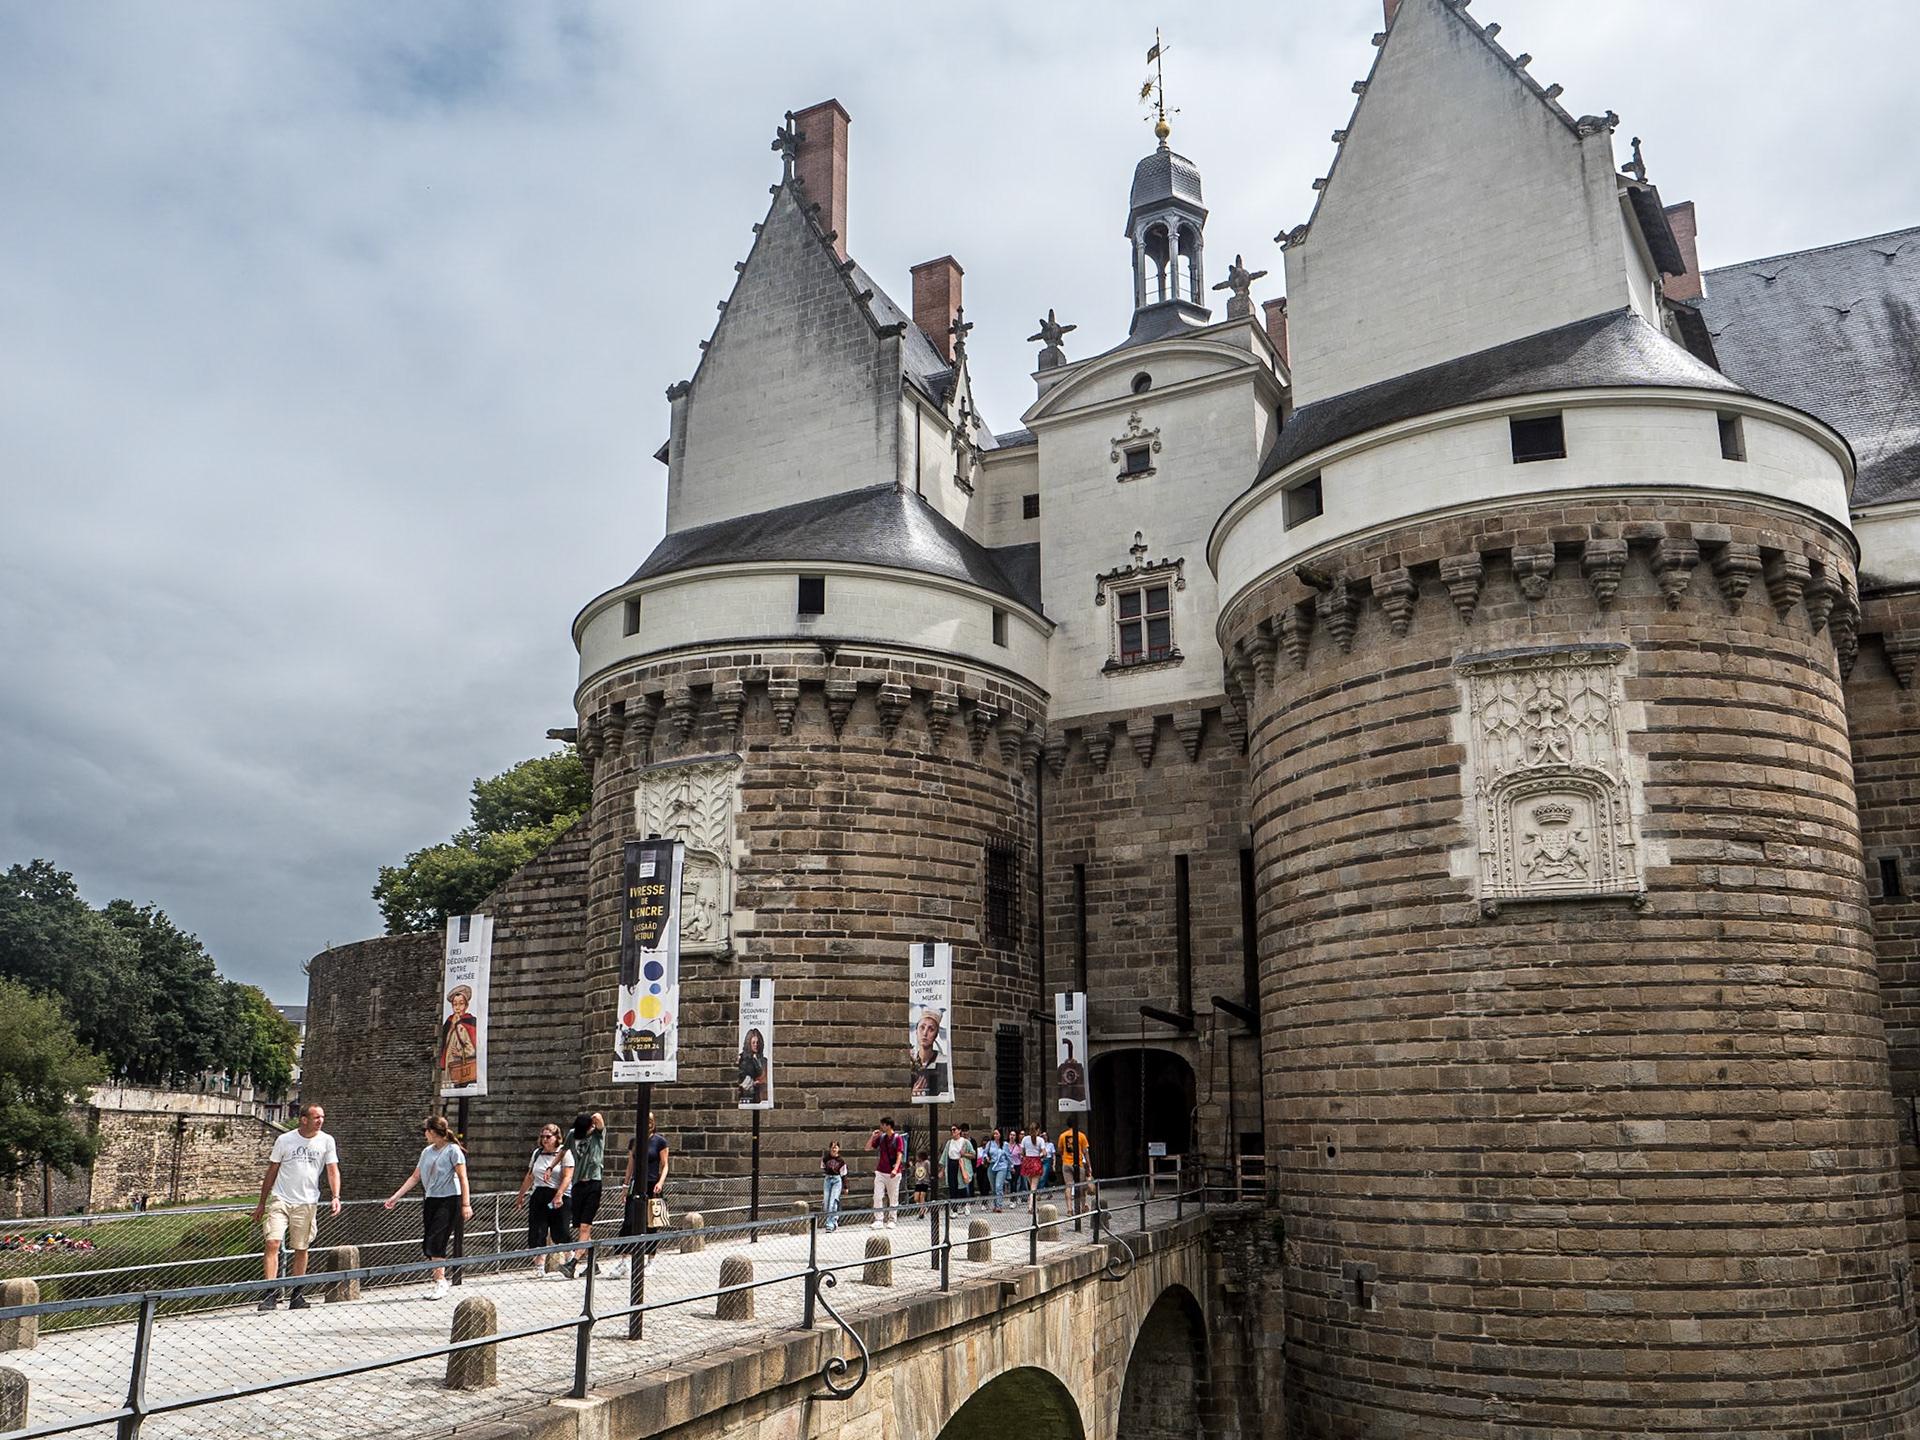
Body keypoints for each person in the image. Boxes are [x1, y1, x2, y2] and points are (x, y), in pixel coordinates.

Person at [251, 1103, 342, 1311]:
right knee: (272, 1242)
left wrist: (336, 1195)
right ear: (304, 1119)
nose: (321, 1120)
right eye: (316, 1117)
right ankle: (270, 1293)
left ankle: (297, 1294)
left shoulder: (327, 1141)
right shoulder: (285, 1140)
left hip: (307, 1201)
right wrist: (261, 1203)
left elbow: (332, 1170)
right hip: (281, 1198)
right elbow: (272, 1171)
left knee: (301, 1247)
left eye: (322, 1117)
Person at [383, 1115, 471, 1298]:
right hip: (432, 1199)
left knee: (436, 1239)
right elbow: (415, 1177)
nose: (425, 1136)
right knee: (429, 1241)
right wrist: (396, 1196)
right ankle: (439, 1280)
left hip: (450, 1199)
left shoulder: (453, 1150)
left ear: (431, 1131)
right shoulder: (427, 1152)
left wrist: (466, 1204)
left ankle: (441, 1282)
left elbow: (463, 1178)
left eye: (425, 1132)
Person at [515, 1123, 575, 1278]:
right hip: (539, 1193)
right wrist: (521, 1195)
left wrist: (559, 1194)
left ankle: (570, 1261)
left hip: (559, 1194)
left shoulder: (564, 1153)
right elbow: (530, 1176)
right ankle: (539, 1267)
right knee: (537, 1230)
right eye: (543, 1137)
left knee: (560, 1230)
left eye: (548, 1137)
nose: (545, 1140)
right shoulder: (537, 1153)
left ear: (557, 1137)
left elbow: (568, 1176)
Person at [567, 1112, 607, 1275]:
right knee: (582, 1229)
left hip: (594, 1185)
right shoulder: (573, 1135)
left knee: (585, 1226)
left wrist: (592, 1120)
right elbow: (563, 1151)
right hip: (578, 1185)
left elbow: (598, 1117)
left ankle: (573, 1263)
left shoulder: (598, 1136)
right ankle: (593, 1265)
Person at [867, 1117, 905, 1228]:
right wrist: (873, 1137)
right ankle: (878, 1219)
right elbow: (868, 1148)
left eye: (883, 1125)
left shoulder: (897, 1138)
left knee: (893, 1196)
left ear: (888, 1125)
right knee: (877, 1196)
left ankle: (892, 1219)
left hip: (893, 1173)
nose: (881, 1127)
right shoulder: (881, 1138)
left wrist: (895, 1168)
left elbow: (899, 1154)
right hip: (880, 1171)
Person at [439, 985, 479, 1088]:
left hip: (460, 1067)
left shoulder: (469, 1023)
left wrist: (459, 1053)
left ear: (466, 1005)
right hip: (448, 1066)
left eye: (461, 1004)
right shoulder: (448, 1022)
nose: (457, 1008)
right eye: (454, 1004)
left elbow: (472, 1049)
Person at [907, 1009, 949, 1098]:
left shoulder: (944, 1061)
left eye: (931, 1029)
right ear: (916, 1031)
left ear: (936, 1034)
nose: (925, 1033)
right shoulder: (910, 1062)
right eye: (922, 1027)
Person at [1057, 1122, 1091, 1216]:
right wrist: (1089, 1166)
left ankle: (1069, 1209)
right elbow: (1085, 1152)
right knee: (1081, 1186)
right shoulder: (1081, 1136)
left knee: (1068, 1186)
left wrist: (1063, 1156)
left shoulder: (1063, 1136)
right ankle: (1083, 1207)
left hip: (1067, 1164)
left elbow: (1060, 1150)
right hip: (1078, 1163)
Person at [943, 1125, 976, 1215]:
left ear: (959, 1131)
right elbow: (945, 1156)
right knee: (952, 1187)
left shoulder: (965, 1142)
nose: (953, 1131)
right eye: (951, 1130)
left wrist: (964, 1154)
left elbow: (973, 1154)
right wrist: (942, 1170)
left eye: (954, 1129)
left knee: (962, 1186)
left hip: (961, 1164)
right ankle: (954, 1209)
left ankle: (966, 1204)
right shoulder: (949, 1143)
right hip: (951, 1164)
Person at [736, 1028, 768, 1105]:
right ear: (749, 1043)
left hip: (761, 1096)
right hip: (749, 1096)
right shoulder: (744, 1060)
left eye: (757, 1042)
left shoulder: (763, 1060)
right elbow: (743, 1080)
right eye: (753, 1042)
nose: (756, 1045)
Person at [821, 1142, 847, 1232]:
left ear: (838, 1149)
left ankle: (830, 1224)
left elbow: (844, 1174)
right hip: (828, 1179)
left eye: (835, 1147)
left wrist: (845, 1187)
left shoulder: (841, 1161)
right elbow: (824, 1168)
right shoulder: (826, 1159)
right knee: (826, 1202)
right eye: (832, 1147)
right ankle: (831, 1220)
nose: (834, 1149)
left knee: (833, 1201)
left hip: (836, 1180)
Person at [986, 1129, 1013, 1212]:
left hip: (1002, 1166)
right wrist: (986, 1158)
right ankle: (995, 1204)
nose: (995, 1135)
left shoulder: (1005, 1145)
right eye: (994, 1134)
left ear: (1000, 1135)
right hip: (992, 1166)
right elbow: (985, 1152)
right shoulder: (990, 1143)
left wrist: (1011, 1167)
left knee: (998, 1186)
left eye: (996, 1134)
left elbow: (1008, 1156)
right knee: (993, 1187)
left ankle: (999, 1205)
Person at [1019, 1126, 1046, 1203]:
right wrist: (1040, 1155)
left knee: (1031, 1185)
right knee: (1033, 1187)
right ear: (1038, 1130)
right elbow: (1044, 1153)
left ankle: (1034, 1204)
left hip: (1027, 1161)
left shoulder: (1025, 1139)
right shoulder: (1040, 1140)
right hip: (1036, 1161)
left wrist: (1025, 1155)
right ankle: (1031, 1205)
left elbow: (1021, 1152)